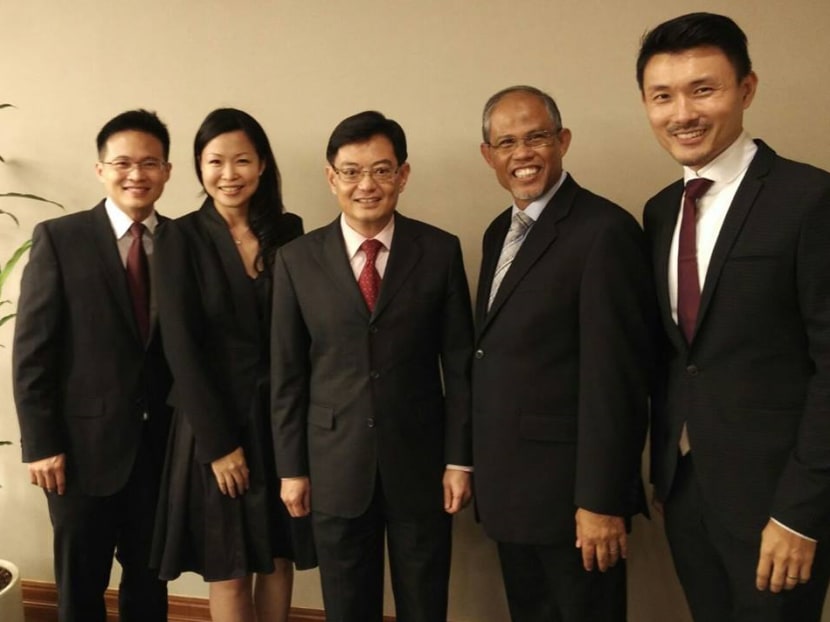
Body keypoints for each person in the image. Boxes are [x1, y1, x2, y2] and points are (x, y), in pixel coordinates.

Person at [637, 12, 830, 622]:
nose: (682, 113)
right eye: (662, 96)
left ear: (746, 89)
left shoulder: (809, 199)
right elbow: (680, 355)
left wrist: (801, 512)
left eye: (703, 89)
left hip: (779, 502)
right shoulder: (661, 210)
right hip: (688, 491)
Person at [270, 110, 474, 622]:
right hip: (333, 465)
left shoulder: (440, 250)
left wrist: (459, 460)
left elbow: (460, 365)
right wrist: (292, 468)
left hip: (422, 465)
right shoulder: (296, 260)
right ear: (331, 177)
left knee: (424, 604)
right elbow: (288, 374)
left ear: (403, 175)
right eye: (352, 171)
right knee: (347, 607)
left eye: (382, 170)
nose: (367, 184)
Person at [472, 85, 653, 622]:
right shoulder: (496, 233)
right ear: (488, 156)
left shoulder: (605, 230)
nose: (522, 153)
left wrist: (600, 501)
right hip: (512, 495)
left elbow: (616, 380)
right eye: (506, 142)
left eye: (537, 137)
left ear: (563, 141)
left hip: (575, 503)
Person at [150, 108, 315, 622]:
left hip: (279, 419)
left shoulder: (289, 231)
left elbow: (302, 332)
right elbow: (181, 349)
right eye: (215, 161)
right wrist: (221, 446)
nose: (229, 173)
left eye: (241, 160)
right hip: (211, 424)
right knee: (228, 565)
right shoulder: (178, 237)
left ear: (262, 164)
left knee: (278, 555)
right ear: (199, 168)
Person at [12, 109, 173, 622]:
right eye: (123, 162)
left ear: (167, 171)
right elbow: (33, 351)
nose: (136, 174)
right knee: (81, 589)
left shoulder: (184, 242)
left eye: (149, 163)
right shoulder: (60, 238)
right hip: (79, 456)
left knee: (150, 586)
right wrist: (42, 445)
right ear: (100, 169)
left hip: (161, 452)